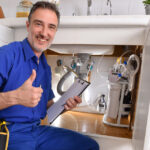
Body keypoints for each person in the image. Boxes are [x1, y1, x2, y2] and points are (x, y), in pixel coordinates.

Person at [0, 1, 99, 150]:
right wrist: (16, 97)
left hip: (37, 131)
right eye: (38, 24)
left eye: (51, 27)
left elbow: (47, 109)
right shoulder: (7, 55)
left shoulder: (44, 66)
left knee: (90, 146)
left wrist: (64, 106)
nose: (44, 33)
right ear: (28, 25)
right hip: (9, 133)